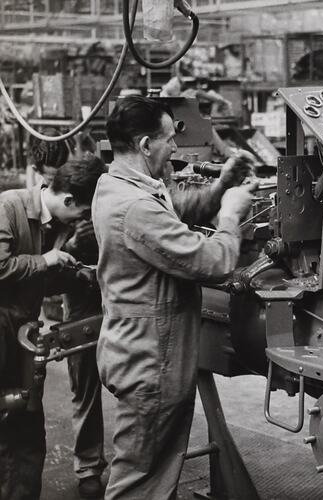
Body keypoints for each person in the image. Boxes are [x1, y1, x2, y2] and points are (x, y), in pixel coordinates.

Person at [93, 95, 256, 499]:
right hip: (151, 362)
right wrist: (231, 216)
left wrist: (220, 188)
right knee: (138, 481)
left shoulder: (116, 183)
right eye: (169, 139)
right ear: (146, 144)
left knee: (154, 471)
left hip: (145, 354)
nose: (176, 148)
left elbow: (175, 213)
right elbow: (212, 261)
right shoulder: (133, 207)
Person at [0, 158, 105, 500]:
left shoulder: (58, 228)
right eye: (85, 213)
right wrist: (45, 260)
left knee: (28, 428)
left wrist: (75, 274)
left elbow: (34, 283)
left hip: (25, 334)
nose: (86, 222)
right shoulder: (9, 206)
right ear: (70, 200)